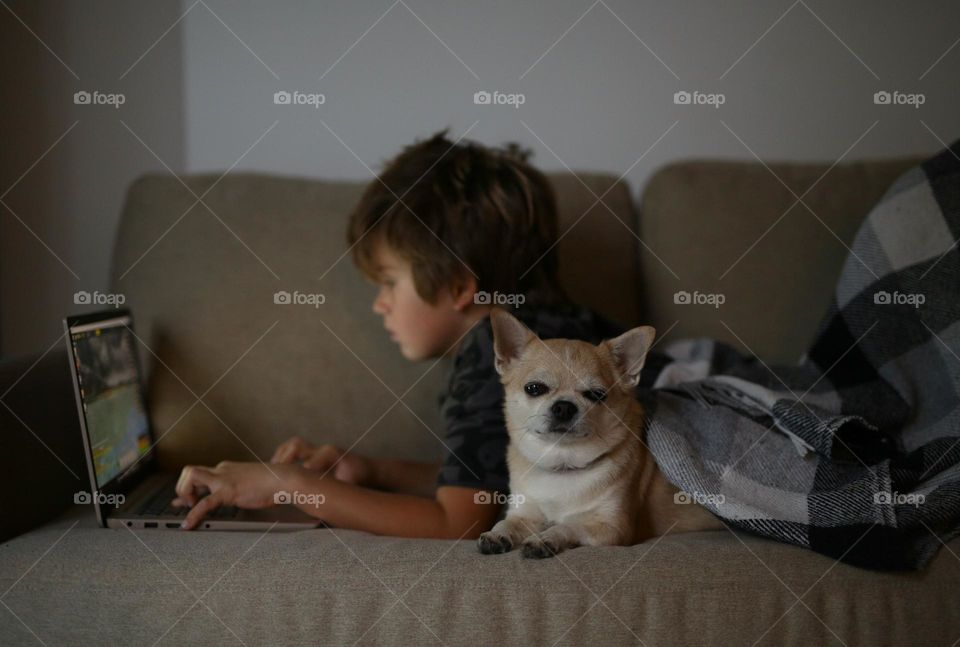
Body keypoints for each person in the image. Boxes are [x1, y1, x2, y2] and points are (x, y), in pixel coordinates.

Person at [173, 129, 626, 535]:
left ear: (459, 287)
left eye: (389, 282)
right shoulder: (570, 330)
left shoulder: (495, 357)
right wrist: (373, 471)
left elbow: (459, 522)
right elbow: (482, 484)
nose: (379, 303)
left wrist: (292, 485)